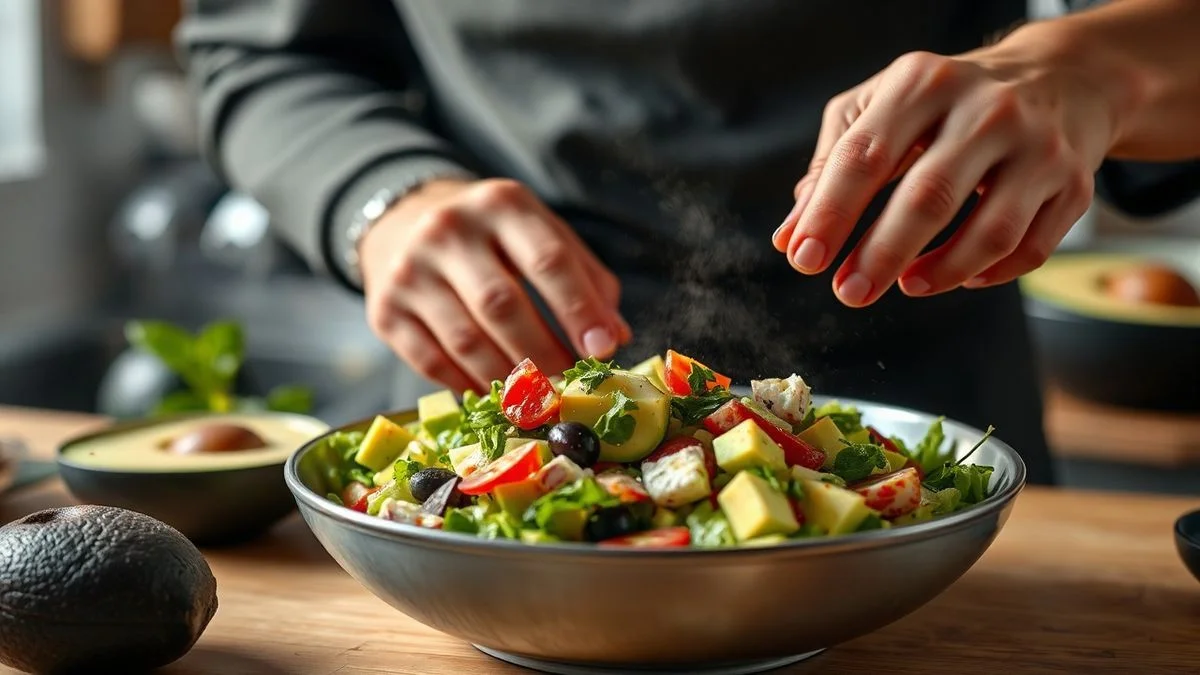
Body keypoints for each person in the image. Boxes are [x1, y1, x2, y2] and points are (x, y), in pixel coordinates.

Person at [177, 0, 1200, 486]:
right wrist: (379, 196)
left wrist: (1098, 67)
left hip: (928, 430)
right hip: (493, 428)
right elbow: (257, 52)